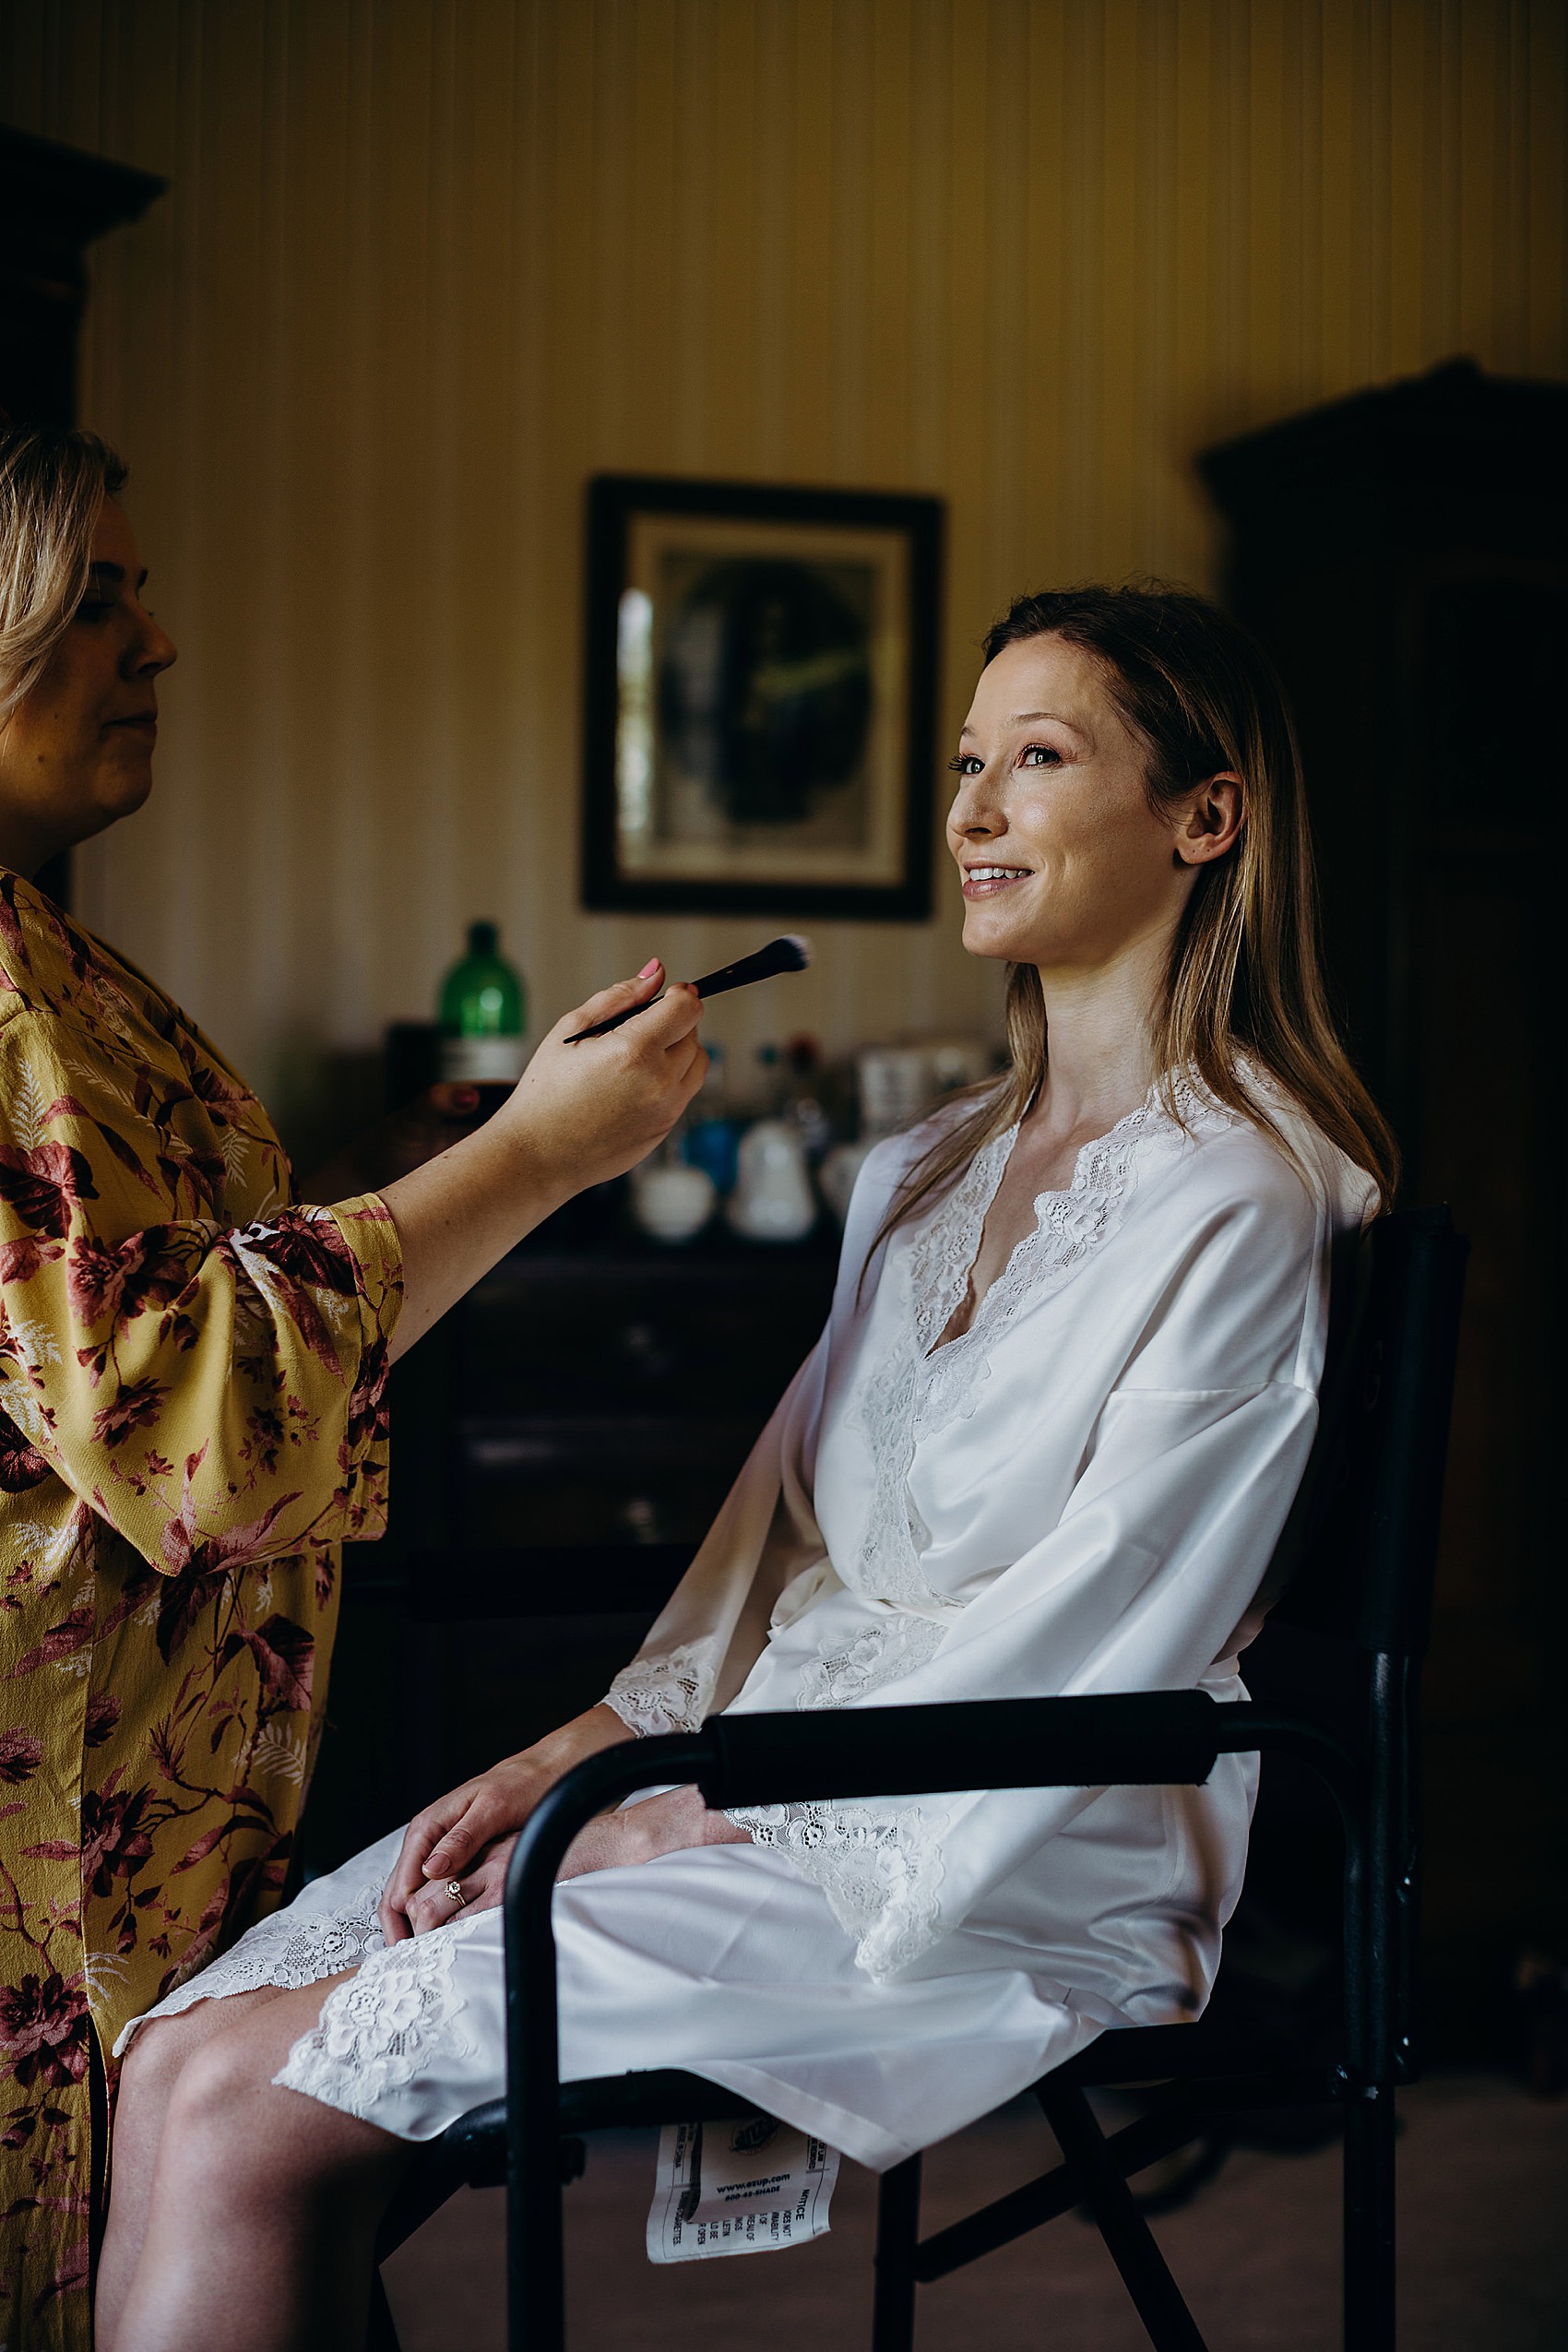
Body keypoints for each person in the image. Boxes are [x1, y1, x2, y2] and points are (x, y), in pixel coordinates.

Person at [101, 584, 1399, 2352]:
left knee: (252, 2106)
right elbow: (771, 1535)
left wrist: (700, 1803)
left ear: (1207, 816)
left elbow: (1119, 1618)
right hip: (755, 1764)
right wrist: (580, 1750)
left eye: (1036, 758)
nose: (970, 812)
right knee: (177, 2056)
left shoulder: (1245, 1198)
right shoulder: (921, 1171)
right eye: (963, 764)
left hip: (1019, 1824)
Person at [0, 422, 707, 2348]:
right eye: (97, 602)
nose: (153, 649)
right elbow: (183, 1408)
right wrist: (535, 1160)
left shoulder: (65, 961)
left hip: (146, 1813)